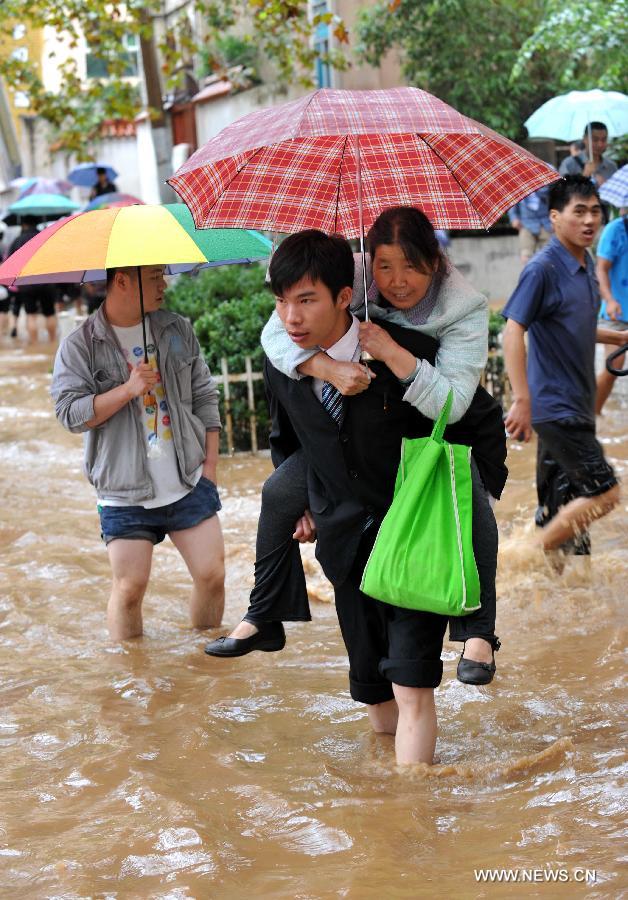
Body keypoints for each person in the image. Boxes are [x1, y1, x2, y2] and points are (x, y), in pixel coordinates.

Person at [230, 230, 504, 764]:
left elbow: (475, 415)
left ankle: (414, 820)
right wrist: (306, 500)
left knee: (412, 691)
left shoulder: (412, 355)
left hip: (413, 541)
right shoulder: (285, 360)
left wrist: (481, 486)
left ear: (343, 296)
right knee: (376, 699)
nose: (291, 316)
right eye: (282, 301)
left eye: (306, 300)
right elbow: (288, 439)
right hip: (343, 546)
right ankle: (384, 815)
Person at [51, 264, 225, 640]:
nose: (164, 284)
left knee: (212, 576)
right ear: (123, 281)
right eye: (154, 278)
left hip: (188, 478)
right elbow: (69, 414)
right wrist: (126, 390)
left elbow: (204, 395)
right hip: (123, 490)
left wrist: (209, 468)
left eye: (163, 275)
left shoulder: (176, 329)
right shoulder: (80, 344)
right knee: (130, 590)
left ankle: (207, 666)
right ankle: (134, 678)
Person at [502, 176, 625, 560]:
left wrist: (621, 338)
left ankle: (557, 595)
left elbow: (580, 326)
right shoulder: (542, 269)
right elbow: (512, 331)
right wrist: (522, 399)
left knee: (562, 516)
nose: (589, 220)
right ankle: (517, 560)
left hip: (577, 405)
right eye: (579, 211)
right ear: (555, 217)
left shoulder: (585, 263)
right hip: (556, 408)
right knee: (605, 493)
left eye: (595, 212)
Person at [594, 209, 628, 414]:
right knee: (614, 364)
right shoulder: (615, 230)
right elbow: (601, 268)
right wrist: (609, 300)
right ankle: (592, 415)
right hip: (616, 311)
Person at [7, 218, 57, 343]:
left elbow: (10, 262)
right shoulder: (45, 236)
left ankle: (34, 344)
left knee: (31, 314)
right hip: (46, 280)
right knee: (50, 313)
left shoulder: (17, 240)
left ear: (24, 225)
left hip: (26, 282)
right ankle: (52, 342)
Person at [507, 186, 553, 265]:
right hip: (526, 224)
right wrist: (514, 218)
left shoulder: (545, 185)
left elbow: (549, 196)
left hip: (545, 223)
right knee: (526, 253)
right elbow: (512, 205)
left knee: (549, 253)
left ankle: (548, 274)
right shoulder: (517, 188)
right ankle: (530, 273)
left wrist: (535, 188)